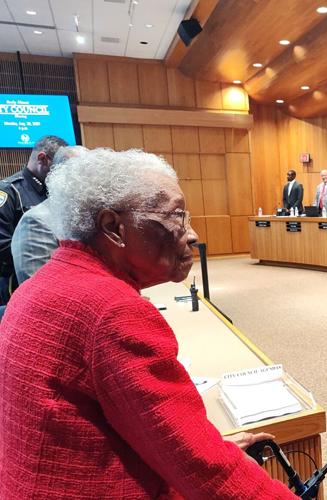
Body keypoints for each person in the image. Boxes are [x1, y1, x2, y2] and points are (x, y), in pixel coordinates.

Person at [0, 148, 296, 499]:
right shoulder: (111, 311)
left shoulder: (41, 285)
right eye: (176, 217)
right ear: (113, 227)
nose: (191, 235)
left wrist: (200, 442)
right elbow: (205, 471)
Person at [0, 135, 68, 304]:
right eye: (59, 167)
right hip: (16, 283)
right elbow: (1, 244)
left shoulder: (55, 191)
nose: (64, 173)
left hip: (59, 278)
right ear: (42, 159)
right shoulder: (9, 192)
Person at [11, 145, 88, 285]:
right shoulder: (36, 221)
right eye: (83, 171)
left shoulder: (93, 214)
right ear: (60, 174)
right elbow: (42, 290)